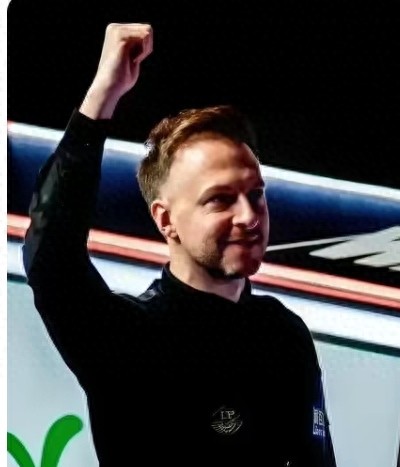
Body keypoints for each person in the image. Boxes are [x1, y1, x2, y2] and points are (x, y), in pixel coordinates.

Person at [22, 23, 337, 466]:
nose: (249, 217)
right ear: (166, 220)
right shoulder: (127, 338)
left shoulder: (284, 335)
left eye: (255, 194)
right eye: (220, 200)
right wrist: (101, 97)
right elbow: (50, 257)